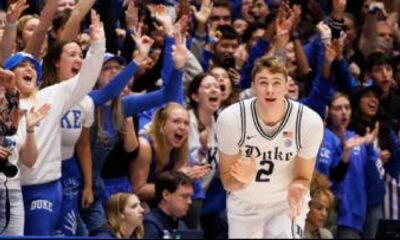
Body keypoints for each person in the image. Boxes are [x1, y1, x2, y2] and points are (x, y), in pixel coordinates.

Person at [216, 56, 324, 238]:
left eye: (276, 83)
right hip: (245, 205)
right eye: (263, 82)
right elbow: (228, 182)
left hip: (284, 204)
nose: (270, 90)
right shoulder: (231, 119)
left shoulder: (308, 122)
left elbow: (303, 176)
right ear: (253, 87)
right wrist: (241, 179)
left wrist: (298, 186)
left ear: (286, 86)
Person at [143, 171, 193, 239]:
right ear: (166, 195)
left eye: (190, 197)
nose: (189, 202)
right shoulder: (150, 224)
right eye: (184, 196)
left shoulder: (182, 226)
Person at [304, 171, 334, 239]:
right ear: (306, 207)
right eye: (319, 208)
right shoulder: (292, 233)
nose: (324, 214)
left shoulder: (327, 235)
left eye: (327, 209)